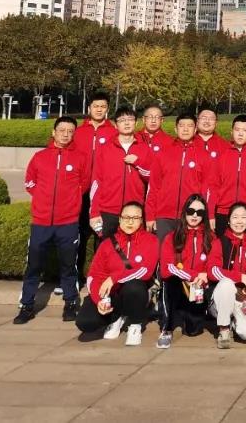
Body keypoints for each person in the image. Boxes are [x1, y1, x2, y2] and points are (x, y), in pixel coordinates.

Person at [15, 116, 88, 324]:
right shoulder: (40, 157)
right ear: (53, 132)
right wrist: (42, 197)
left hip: (68, 222)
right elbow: (30, 182)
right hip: (41, 221)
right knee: (33, 266)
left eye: (70, 131)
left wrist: (71, 201)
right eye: (62, 130)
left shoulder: (80, 158)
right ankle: (27, 305)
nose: (66, 134)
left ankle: (71, 303)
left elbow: (84, 184)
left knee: (69, 266)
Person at [75, 200, 158, 346]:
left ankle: (135, 325)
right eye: (126, 217)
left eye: (135, 218)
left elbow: (145, 271)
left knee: (134, 287)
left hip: (135, 293)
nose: (130, 222)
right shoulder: (107, 244)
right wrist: (99, 300)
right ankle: (116, 317)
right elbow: (93, 275)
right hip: (112, 294)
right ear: (119, 219)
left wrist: (114, 278)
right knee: (86, 322)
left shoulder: (151, 241)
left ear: (142, 221)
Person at [157, 193, 213, 347]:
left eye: (199, 212)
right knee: (169, 282)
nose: (194, 216)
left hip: (198, 290)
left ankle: (185, 314)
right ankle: (167, 328)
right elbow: (166, 269)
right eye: (191, 211)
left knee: (193, 331)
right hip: (178, 285)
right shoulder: (171, 237)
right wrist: (193, 275)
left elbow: (214, 265)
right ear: (184, 212)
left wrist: (203, 277)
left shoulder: (211, 238)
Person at [146, 113, 210, 243]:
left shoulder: (204, 155)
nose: (185, 129)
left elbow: (207, 189)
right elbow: (153, 187)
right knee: (162, 252)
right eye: (182, 126)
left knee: (186, 253)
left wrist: (205, 215)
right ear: (176, 129)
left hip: (190, 216)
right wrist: (150, 216)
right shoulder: (163, 153)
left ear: (195, 129)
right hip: (163, 216)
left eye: (189, 126)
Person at [90, 108, 151, 241]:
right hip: (108, 210)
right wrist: (94, 212)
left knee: (133, 248)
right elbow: (96, 181)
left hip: (134, 211)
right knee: (105, 248)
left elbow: (151, 177)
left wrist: (138, 162)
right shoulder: (105, 148)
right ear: (116, 124)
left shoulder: (144, 148)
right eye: (122, 120)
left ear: (136, 123)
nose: (127, 123)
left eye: (130, 119)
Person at [208, 202, 246, 348]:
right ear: (228, 220)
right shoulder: (219, 242)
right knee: (227, 283)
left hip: (242, 299)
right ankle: (224, 329)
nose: (239, 221)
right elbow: (212, 271)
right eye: (235, 217)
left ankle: (234, 321)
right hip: (221, 298)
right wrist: (240, 277)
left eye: (243, 217)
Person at [72, 93, 116, 273]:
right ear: (89, 108)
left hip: (103, 193)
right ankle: (74, 275)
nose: (99, 109)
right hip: (80, 191)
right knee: (79, 234)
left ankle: (100, 275)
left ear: (107, 109)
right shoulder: (77, 132)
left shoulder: (114, 132)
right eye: (96, 106)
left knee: (102, 234)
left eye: (103, 106)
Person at [207, 115, 246, 239]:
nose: (240, 134)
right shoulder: (222, 155)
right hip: (224, 212)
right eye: (237, 130)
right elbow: (213, 187)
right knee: (223, 247)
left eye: (245, 130)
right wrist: (210, 214)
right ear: (232, 131)